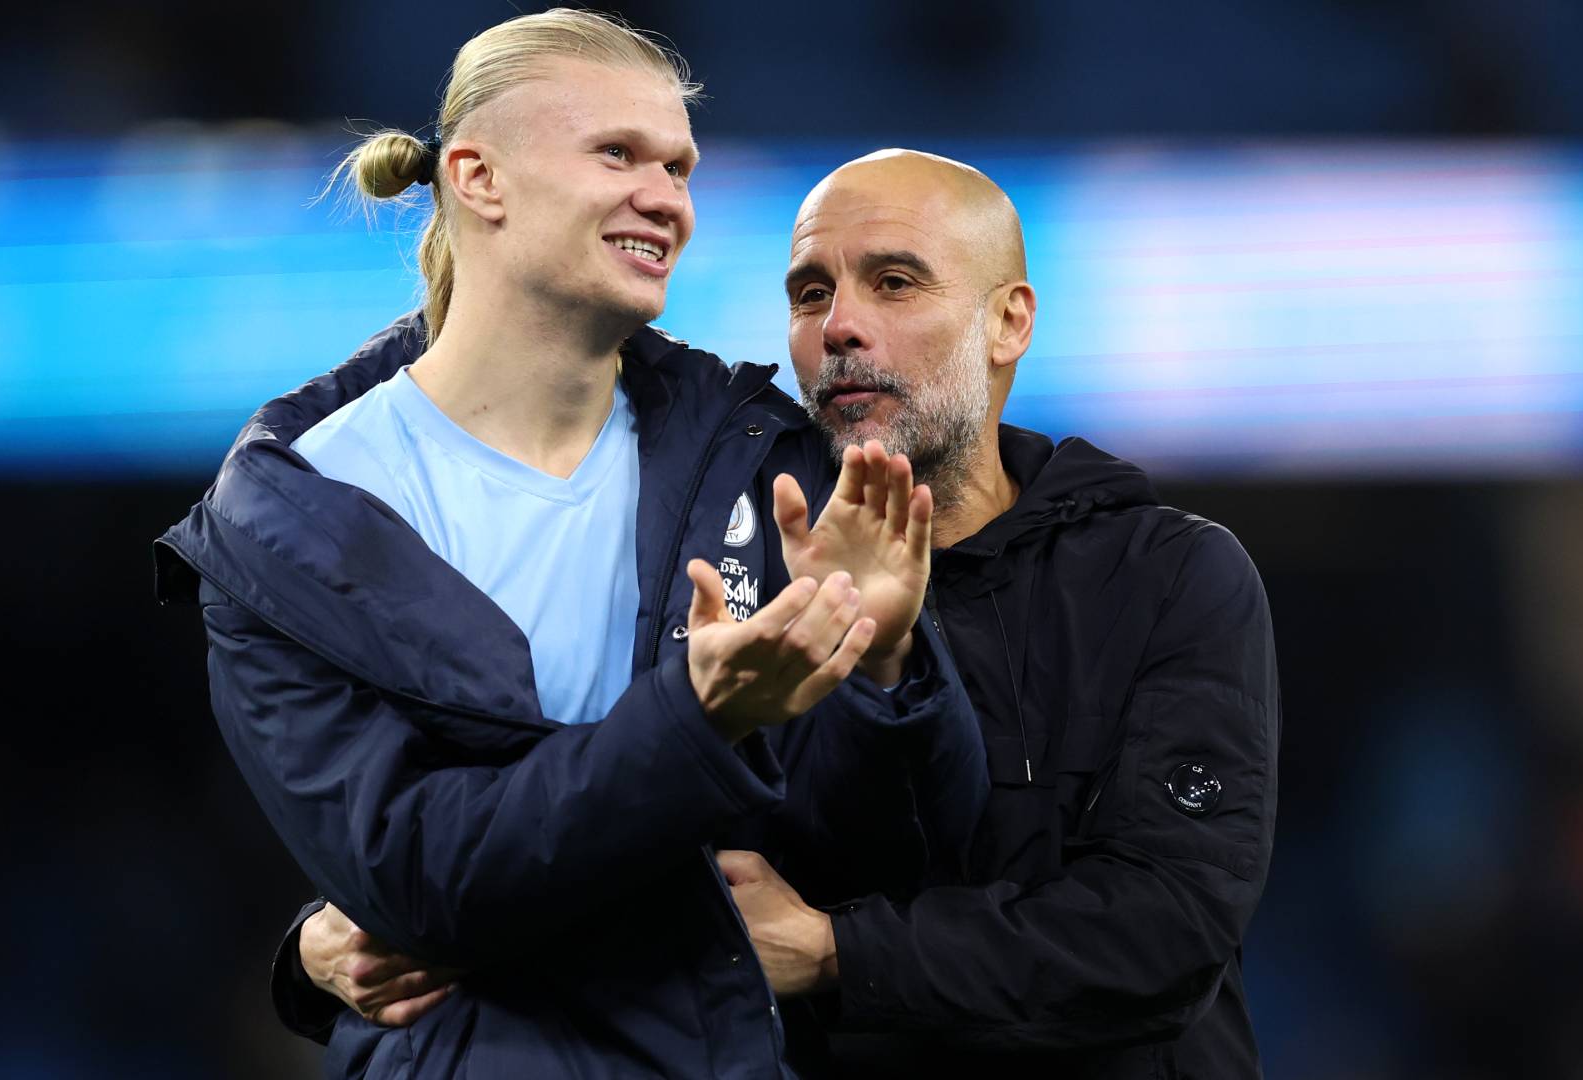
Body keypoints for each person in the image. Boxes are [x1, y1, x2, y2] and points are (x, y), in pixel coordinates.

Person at [288, 149, 1282, 1078]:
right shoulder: (716, 555)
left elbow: (1163, 931)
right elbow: (558, 797)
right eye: (811, 293)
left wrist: (835, 951)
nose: (840, 326)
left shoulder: (1166, 575)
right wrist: (325, 939)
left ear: (1008, 323)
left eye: (894, 283)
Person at [153, 13, 985, 1079]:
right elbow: (423, 884)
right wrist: (701, 718)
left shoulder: (756, 463)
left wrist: (884, 667)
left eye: (678, 168)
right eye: (618, 154)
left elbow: (896, 857)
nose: (667, 198)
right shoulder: (290, 521)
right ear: (478, 179)